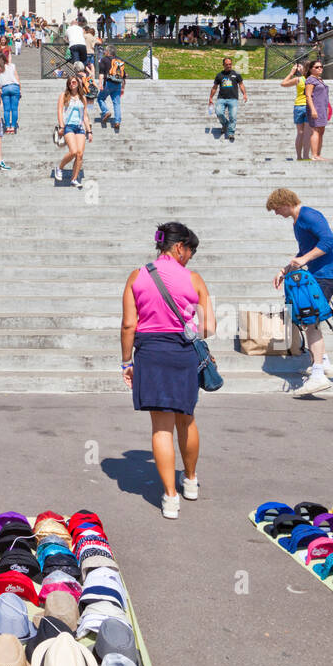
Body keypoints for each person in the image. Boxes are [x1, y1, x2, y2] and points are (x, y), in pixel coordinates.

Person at [121, 222, 215, 518]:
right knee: (186, 419)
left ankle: (170, 498)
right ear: (178, 247)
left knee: (161, 428)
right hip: (182, 353)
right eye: (190, 251)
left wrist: (126, 362)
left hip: (150, 354)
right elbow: (209, 328)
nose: (190, 257)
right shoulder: (195, 279)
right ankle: (189, 481)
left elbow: (128, 325)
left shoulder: (137, 276)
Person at [266, 188, 333, 396]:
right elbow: (303, 252)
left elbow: (329, 241)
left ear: (285, 202)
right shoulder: (297, 221)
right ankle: (323, 362)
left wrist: (305, 260)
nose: (276, 213)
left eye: (276, 209)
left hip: (327, 274)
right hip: (319, 274)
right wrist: (285, 270)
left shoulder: (309, 215)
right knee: (309, 319)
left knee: (311, 321)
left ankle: (318, 375)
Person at [55, 74, 93, 186]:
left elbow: (85, 116)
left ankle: (74, 179)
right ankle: (59, 167)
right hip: (69, 126)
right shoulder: (64, 95)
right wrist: (61, 126)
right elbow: (59, 111)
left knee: (80, 154)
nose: (72, 84)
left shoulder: (83, 98)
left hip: (80, 127)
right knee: (73, 151)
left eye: (74, 82)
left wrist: (89, 131)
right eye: (70, 82)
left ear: (78, 84)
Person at [207, 56, 248, 143]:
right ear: (223, 65)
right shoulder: (219, 75)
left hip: (233, 99)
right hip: (221, 98)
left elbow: (241, 84)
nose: (228, 66)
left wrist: (244, 93)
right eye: (226, 64)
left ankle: (231, 133)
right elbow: (214, 87)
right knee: (219, 113)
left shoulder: (236, 74)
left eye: (230, 64)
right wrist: (210, 98)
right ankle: (225, 125)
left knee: (233, 116)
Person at [281, 60, 312, 160]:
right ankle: (306, 156)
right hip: (309, 106)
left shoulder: (298, 79)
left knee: (300, 133)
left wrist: (291, 73)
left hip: (298, 106)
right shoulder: (314, 80)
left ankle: (299, 156)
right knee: (307, 133)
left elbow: (283, 83)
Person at [304, 58, 330, 160]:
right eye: (317, 67)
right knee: (315, 130)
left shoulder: (319, 80)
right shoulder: (310, 80)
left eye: (321, 67)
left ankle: (318, 154)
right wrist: (313, 109)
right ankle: (314, 155)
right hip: (315, 107)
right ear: (311, 69)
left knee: (321, 131)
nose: (320, 68)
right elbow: (308, 96)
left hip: (323, 108)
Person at [97, 45, 127, 133]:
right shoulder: (119, 61)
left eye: (105, 51)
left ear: (108, 52)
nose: (104, 52)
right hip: (118, 84)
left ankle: (106, 111)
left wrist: (100, 84)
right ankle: (117, 121)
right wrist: (123, 87)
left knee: (100, 98)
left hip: (108, 83)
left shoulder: (104, 60)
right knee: (116, 103)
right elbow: (124, 75)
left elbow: (101, 73)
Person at [0, 56, 22, 134]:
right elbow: (17, 77)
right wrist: (20, 89)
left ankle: (8, 127)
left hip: (4, 88)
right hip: (15, 87)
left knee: (6, 110)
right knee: (14, 109)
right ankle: (13, 127)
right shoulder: (12, 66)